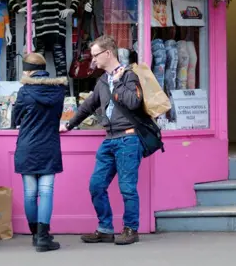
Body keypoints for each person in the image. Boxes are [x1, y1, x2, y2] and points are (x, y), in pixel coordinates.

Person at [60, 35, 144, 245]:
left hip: (128, 138)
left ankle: (131, 229)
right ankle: (105, 228)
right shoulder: (101, 81)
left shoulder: (129, 76)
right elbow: (88, 105)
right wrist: (69, 124)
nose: (93, 61)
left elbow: (134, 102)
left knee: (127, 188)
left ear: (108, 53)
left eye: (96, 55)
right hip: (110, 139)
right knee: (96, 185)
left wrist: (118, 84)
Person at [11, 53, 67, 252]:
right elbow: (58, 115)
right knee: (46, 192)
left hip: (27, 146)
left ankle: (35, 235)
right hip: (49, 145)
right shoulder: (59, 90)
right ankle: (44, 237)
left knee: (30, 193)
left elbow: (16, 119)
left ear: (28, 70)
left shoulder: (25, 92)